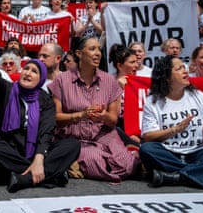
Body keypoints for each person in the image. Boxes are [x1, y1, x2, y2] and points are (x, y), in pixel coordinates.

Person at [0, 22, 80, 193]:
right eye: (26, 69)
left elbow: (46, 132)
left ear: (40, 79)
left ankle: (25, 178)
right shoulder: (7, 90)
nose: (27, 73)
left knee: (72, 145)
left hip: (35, 152)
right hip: (11, 152)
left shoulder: (45, 100)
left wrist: (39, 158)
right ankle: (48, 174)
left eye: (33, 71)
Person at [48, 36, 140, 182]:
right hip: (76, 138)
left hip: (105, 135)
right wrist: (81, 115)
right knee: (96, 163)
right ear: (79, 53)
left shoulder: (109, 81)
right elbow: (56, 118)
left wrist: (103, 116)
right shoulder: (62, 80)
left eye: (99, 49)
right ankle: (71, 160)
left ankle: (122, 156)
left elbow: (113, 121)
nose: (98, 53)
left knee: (128, 166)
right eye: (92, 49)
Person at [139, 55, 203, 189]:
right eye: (179, 69)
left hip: (198, 152)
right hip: (169, 153)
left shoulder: (199, 97)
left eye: (184, 67)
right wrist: (175, 130)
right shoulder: (153, 102)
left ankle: (177, 177)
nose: (185, 71)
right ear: (167, 77)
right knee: (147, 149)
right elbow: (148, 136)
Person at [108, 44, 141, 145]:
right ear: (120, 66)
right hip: (120, 126)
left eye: (136, 61)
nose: (136, 65)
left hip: (140, 126)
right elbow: (113, 115)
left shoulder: (141, 81)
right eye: (132, 62)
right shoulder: (108, 83)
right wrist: (118, 89)